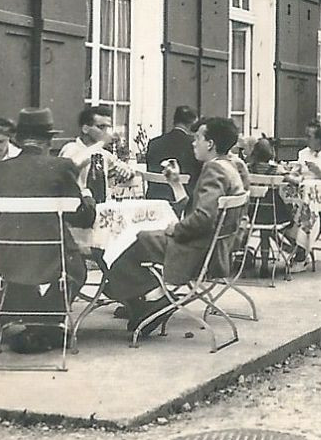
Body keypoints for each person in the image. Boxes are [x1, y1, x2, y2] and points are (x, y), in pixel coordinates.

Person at [102, 117, 247, 333]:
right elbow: (201, 211)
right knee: (135, 240)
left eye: (198, 138)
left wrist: (175, 229)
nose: (193, 143)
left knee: (126, 244)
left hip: (198, 252)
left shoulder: (213, 170)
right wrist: (176, 184)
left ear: (210, 144)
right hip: (217, 250)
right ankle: (144, 301)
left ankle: (153, 299)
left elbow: (203, 219)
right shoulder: (231, 166)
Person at [0, 107, 97, 353]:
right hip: (52, 260)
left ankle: (27, 324)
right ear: (48, 140)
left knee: (25, 269)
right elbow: (84, 218)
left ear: (18, 140)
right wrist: (85, 192)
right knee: (77, 268)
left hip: (4, 260)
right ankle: (46, 324)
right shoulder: (62, 167)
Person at [59, 104, 137, 202]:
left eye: (108, 127)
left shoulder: (103, 154)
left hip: (102, 206)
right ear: (85, 129)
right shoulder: (71, 148)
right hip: (77, 207)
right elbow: (71, 166)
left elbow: (127, 169)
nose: (106, 132)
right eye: (101, 127)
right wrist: (102, 142)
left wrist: (125, 171)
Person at [144, 106, 200, 203]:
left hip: (154, 200)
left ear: (174, 121)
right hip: (183, 202)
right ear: (192, 124)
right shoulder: (194, 145)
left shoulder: (154, 143)